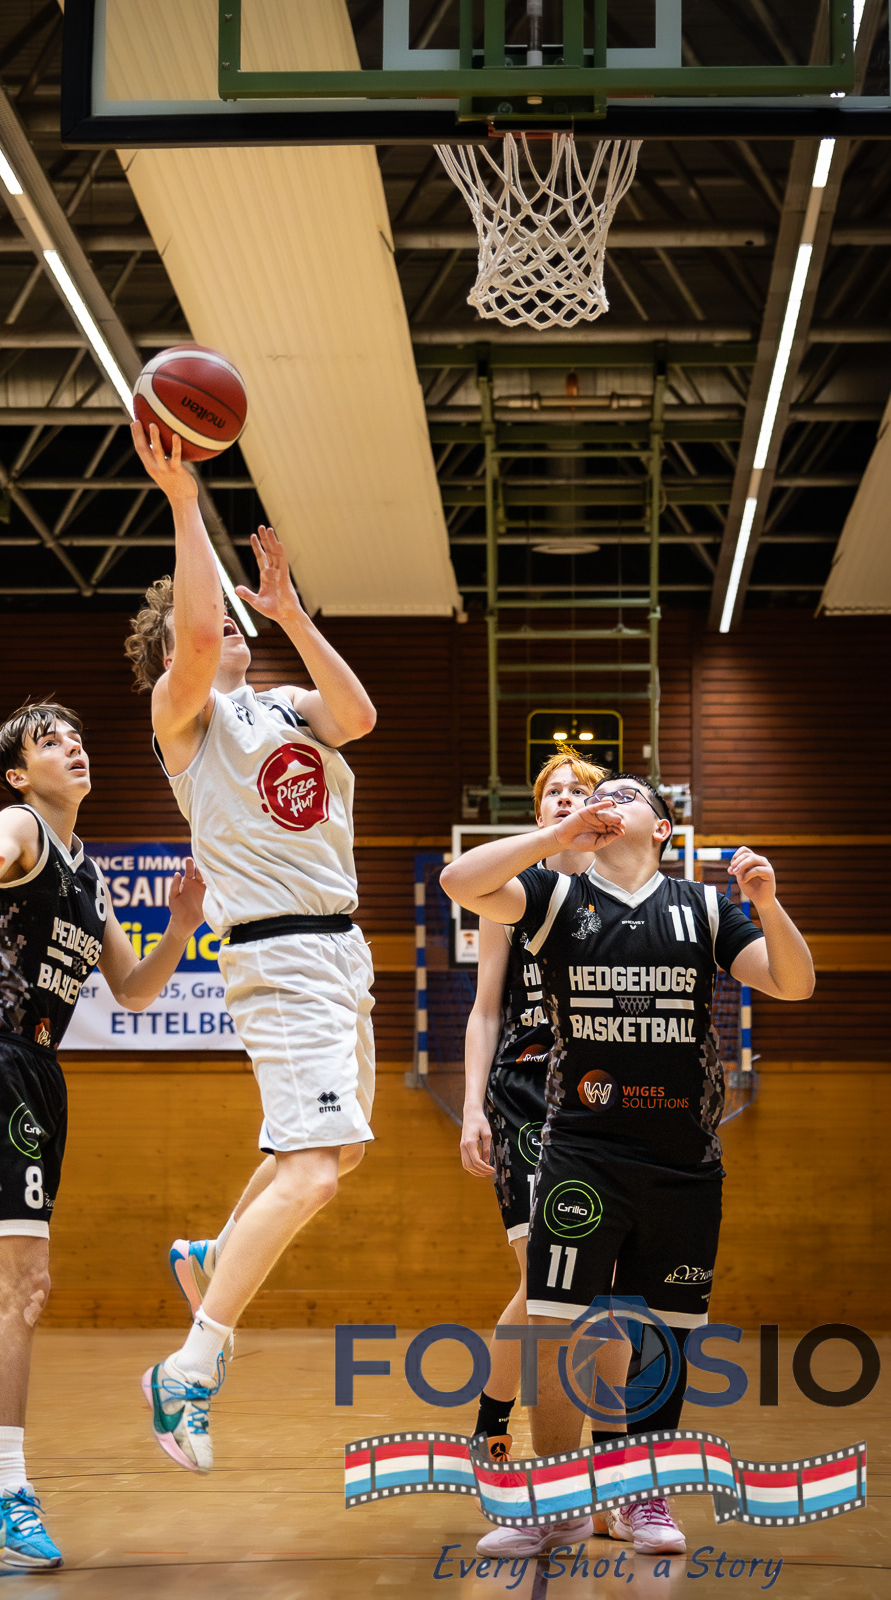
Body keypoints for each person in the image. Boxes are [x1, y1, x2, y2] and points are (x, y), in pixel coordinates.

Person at [441, 774, 814, 1559]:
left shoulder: (704, 908)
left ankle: (643, 1496)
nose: (605, 799)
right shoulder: (552, 896)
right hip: (580, 1150)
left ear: (663, 827)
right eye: (595, 793)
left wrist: (768, 904)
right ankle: (556, 1500)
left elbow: (793, 982)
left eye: (625, 793)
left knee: (659, 1334)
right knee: (554, 1324)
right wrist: (555, 836)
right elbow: (459, 881)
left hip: (681, 1158)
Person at [0, 700, 207, 1571]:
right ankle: (5, 1491)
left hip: (35, 1074)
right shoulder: (21, 826)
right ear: (18, 773)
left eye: (75, 735)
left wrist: (181, 928)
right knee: (25, 1289)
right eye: (48, 741)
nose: (71, 745)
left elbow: (134, 991)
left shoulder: (89, 874)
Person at [126, 421, 378, 1475]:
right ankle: (188, 1368)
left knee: (336, 1150)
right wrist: (186, 502)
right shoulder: (182, 718)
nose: (228, 627)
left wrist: (290, 615)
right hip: (277, 956)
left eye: (237, 623)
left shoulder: (283, 703)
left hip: (342, 954)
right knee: (312, 1174)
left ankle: (212, 1253)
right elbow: (192, 637)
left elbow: (358, 716)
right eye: (218, 621)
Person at [460, 749, 604, 1464]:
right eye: (555, 792)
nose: (566, 798)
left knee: (593, 1282)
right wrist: (471, 1108)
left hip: (600, 1096)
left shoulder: (622, 892)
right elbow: (485, 1009)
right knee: (544, 1279)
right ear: (539, 811)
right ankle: (502, 1428)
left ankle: (515, 1422)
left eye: (581, 789)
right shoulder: (510, 891)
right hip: (524, 1092)